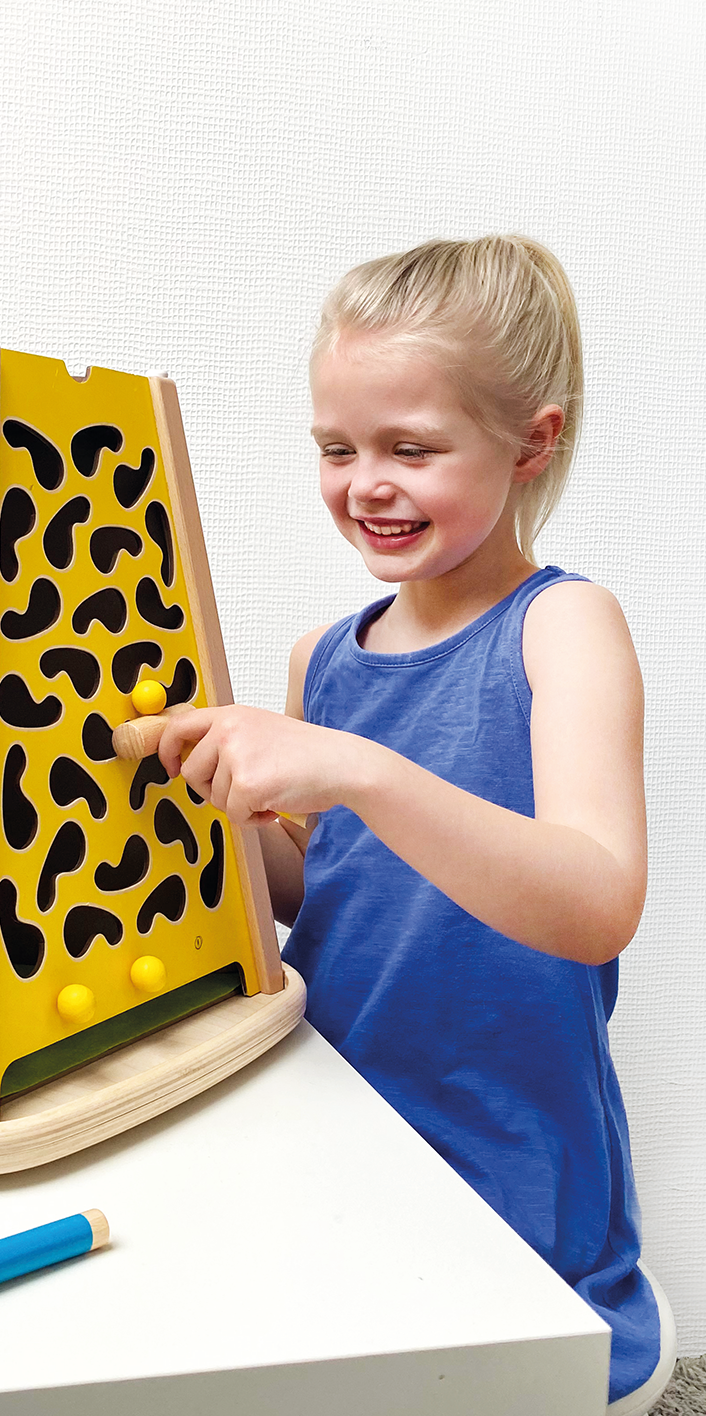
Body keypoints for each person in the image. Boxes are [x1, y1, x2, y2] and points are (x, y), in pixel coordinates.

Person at [157, 236, 668, 1411]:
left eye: (411, 449)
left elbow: (597, 903)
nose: (365, 484)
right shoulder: (324, 659)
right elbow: (324, 887)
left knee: (500, 1365)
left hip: (507, 1138)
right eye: (337, 448)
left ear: (532, 443)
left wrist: (360, 769)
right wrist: (217, 797)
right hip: (344, 1108)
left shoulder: (564, 625)